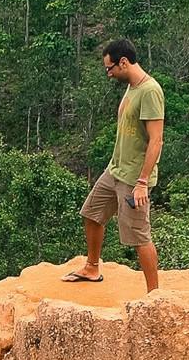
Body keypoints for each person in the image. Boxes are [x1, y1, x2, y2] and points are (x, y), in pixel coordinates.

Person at [63, 38, 164, 291]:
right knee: (91, 213)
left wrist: (142, 182)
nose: (108, 74)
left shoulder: (150, 91)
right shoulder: (132, 87)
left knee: (139, 235)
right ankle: (92, 268)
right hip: (115, 170)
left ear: (124, 62)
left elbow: (156, 141)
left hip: (133, 178)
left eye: (110, 69)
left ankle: (155, 295)